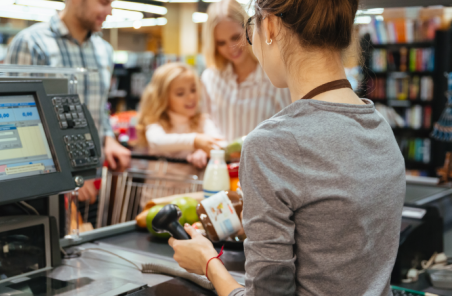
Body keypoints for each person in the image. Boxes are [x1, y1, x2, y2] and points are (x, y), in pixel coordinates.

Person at [169, 0, 406, 295]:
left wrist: (207, 262)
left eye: (248, 29)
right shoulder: (380, 127)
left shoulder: (270, 145)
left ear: (269, 25)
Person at [5, 0, 131, 203]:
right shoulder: (32, 43)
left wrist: (108, 138)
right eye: (104, 2)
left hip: (92, 182)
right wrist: (69, 176)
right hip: (45, 186)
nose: (109, 11)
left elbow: (98, 108)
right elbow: (17, 120)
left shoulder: (103, 50)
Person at [201, 0, 291, 142]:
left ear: (249, 29)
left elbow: (289, 127)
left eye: (235, 37)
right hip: (220, 162)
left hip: (263, 162)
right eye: (221, 42)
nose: (231, 48)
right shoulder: (209, 78)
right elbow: (203, 119)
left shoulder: (275, 76)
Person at [137, 63, 222, 169]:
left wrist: (204, 151)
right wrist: (195, 141)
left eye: (193, 90)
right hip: (157, 185)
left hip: (193, 185)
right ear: (163, 97)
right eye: (180, 93)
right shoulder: (155, 122)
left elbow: (220, 144)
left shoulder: (202, 120)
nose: (191, 97)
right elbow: (157, 141)